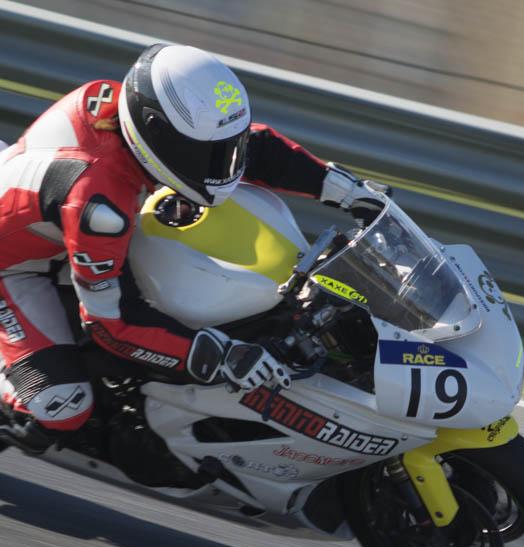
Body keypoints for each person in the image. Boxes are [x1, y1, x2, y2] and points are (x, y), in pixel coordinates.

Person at [0, 43, 385, 453]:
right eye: (210, 155)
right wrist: (221, 357)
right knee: (62, 407)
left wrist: (347, 191)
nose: (225, 166)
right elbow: (111, 325)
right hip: (18, 268)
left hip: (53, 224)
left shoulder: (128, 111)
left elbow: (253, 148)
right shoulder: (100, 207)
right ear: (157, 132)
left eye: (225, 149)